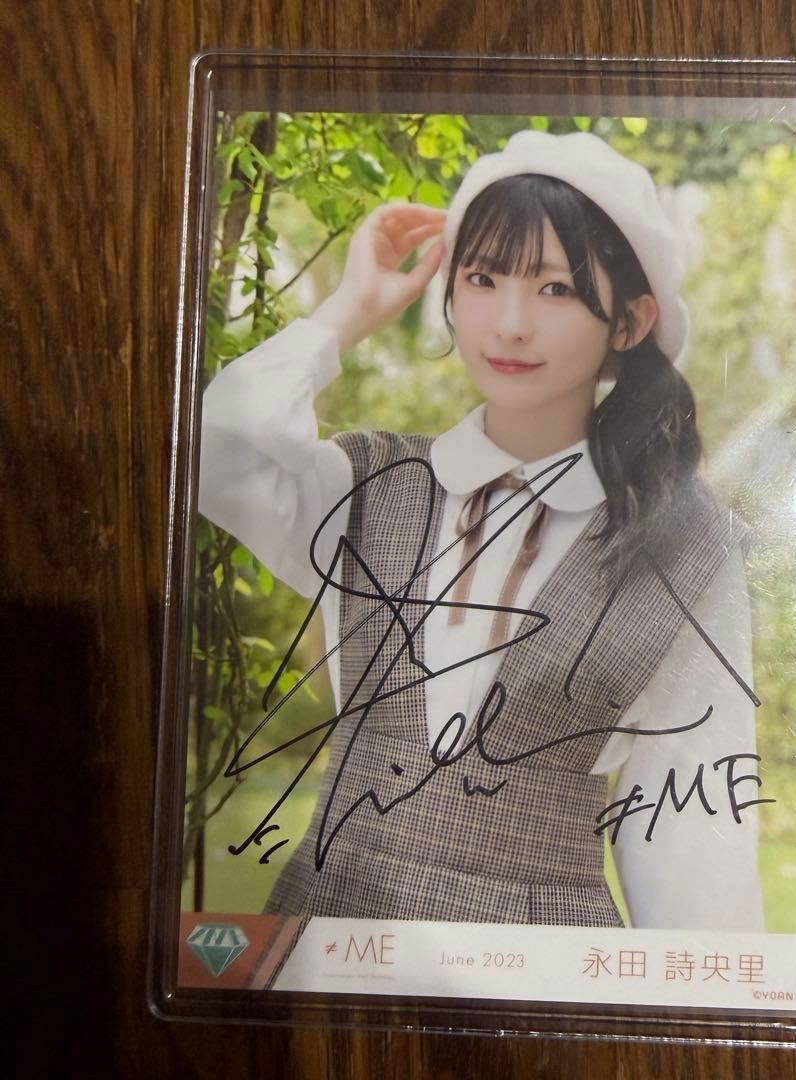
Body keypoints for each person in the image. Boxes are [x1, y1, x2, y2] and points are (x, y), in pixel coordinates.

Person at [199, 129, 766, 930]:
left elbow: (693, 836)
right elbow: (219, 445)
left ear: (631, 320)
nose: (509, 324)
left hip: (542, 962)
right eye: (482, 278)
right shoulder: (367, 485)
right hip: (331, 938)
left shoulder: (680, 544)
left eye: (556, 288)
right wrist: (349, 311)